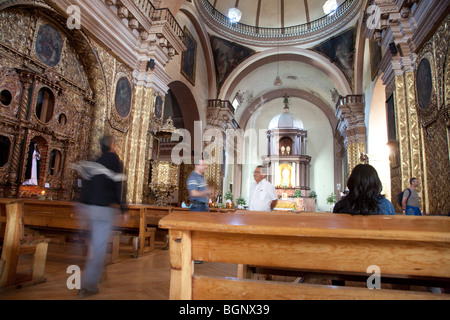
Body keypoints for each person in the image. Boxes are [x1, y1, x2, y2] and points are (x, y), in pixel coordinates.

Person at [73, 135, 127, 298]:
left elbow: (87, 187)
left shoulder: (95, 162)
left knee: (93, 244)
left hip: (89, 207)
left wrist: (82, 207)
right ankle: (87, 285)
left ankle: (93, 273)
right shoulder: (115, 161)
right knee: (98, 248)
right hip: (104, 209)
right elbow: (119, 188)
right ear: (112, 145)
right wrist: (124, 209)